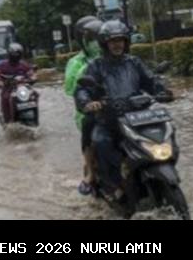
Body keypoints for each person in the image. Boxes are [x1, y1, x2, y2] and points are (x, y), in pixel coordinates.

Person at [74, 20, 173, 202]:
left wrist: (162, 91)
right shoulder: (96, 66)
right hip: (109, 119)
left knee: (164, 133)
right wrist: (88, 102)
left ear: (126, 42)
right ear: (105, 43)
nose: (117, 44)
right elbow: (81, 89)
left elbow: (150, 81)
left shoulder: (134, 62)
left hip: (137, 117)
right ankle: (114, 185)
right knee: (101, 141)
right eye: (113, 41)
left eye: (120, 40)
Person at [63, 16, 104, 196]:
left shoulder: (112, 54)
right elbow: (70, 88)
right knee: (90, 129)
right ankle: (91, 173)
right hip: (89, 110)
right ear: (83, 41)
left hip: (117, 105)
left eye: (98, 38)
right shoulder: (76, 62)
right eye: (91, 40)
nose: (96, 43)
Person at [0, 43, 35, 124]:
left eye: (18, 54)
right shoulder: (3, 65)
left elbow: (30, 73)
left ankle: (35, 116)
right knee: (5, 97)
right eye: (14, 54)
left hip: (22, 88)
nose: (15, 56)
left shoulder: (23, 64)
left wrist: (33, 78)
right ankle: (7, 120)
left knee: (35, 94)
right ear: (9, 54)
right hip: (8, 88)